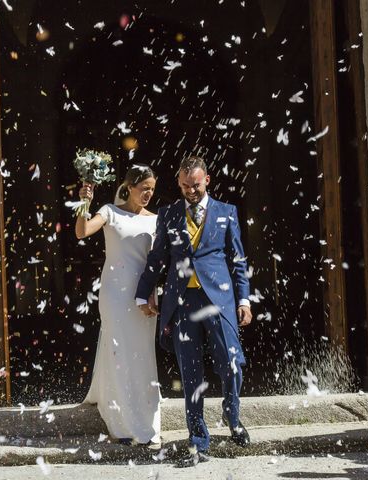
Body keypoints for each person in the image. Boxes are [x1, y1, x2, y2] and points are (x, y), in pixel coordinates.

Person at [135, 155, 253, 467]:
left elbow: (238, 261)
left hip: (220, 300)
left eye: (196, 185)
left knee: (231, 362)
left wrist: (244, 300)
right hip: (182, 304)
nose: (191, 191)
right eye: (186, 185)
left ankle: (233, 414)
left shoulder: (227, 213)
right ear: (178, 183)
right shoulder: (169, 214)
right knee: (191, 374)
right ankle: (198, 441)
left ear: (207, 181)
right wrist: (142, 293)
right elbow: (157, 257)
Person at [77, 164, 161, 446]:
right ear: (129, 186)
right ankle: (120, 421)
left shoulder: (156, 220)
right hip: (114, 294)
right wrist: (84, 203)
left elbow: (158, 262)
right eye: (143, 188)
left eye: (152, 188)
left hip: (144, 295)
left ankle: (145, 418)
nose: (148, 193)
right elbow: (82, 231)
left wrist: (154, 293)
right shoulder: (110, 212)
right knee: (118, 349)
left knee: (141, 353)